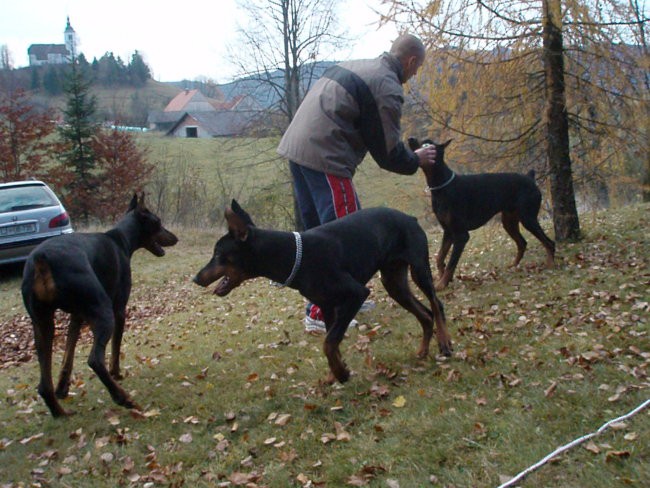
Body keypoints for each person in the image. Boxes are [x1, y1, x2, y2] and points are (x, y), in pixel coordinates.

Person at [277, 33, 437, 333]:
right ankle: (322, 312)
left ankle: (343, 294)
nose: (413, 76)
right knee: (347, 237)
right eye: (416, 70)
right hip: (326, 155)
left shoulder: (362, 65)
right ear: (411, 61)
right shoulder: (387, 85)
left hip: (298, 149)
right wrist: (417, 159)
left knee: (316, 233)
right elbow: (388, 153)